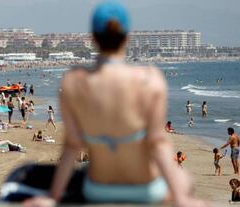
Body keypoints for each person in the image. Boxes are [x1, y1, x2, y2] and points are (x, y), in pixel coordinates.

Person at [23, 2, 205, 206]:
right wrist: (181, 198)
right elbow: (157, 143)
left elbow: (72, 145)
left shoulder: (74, 81)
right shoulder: (150, 80)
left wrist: (53, 197)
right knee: (185, 179)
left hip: (99, 189)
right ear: (127, 37)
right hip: (145, 189)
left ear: (93, 38)